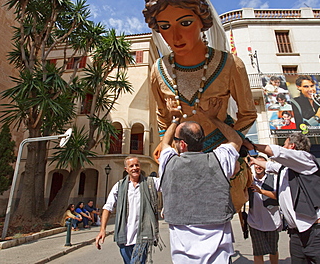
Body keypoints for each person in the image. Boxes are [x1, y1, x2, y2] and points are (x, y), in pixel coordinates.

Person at [142, 0, 256, 157]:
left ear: (202, 20)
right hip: (180, 158)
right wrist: (166, 145)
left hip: (220, 155)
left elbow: (247, 114)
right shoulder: (158, 70)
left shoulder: (230, 64)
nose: (176, 36)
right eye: (165, 26)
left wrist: (229, 147)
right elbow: (162, 116)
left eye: (185, 23)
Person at [158, 97, 243, 263]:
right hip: (219, 254)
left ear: (182, 145)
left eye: (176, 141)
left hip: (183, 256)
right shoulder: (220, 159)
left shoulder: (169, 162)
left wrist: (175, 119)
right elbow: (236, 140)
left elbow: (164, 144)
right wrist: (212, 118)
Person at [243, 133, 320, 263]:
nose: (282, 147)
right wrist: (254, 160)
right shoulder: (286, 169)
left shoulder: (306, 159)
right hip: (297, 233)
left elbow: (279, 153)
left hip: (319, 231)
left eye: (284, 145)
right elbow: (271, 166)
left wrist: (252, 145)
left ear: (292, 146)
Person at [95, 156, 161, 264]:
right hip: (124, 236)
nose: (135, 168)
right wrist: (102, 230)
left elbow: (169, 186)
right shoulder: (119, 186)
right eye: (131, 166)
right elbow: (108, 207)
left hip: (143, 235)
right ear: (126, 169)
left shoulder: (151, 183)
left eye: (137, 165)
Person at [247, 156, 281, 264]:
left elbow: (278, 196)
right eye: (256, 164)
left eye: (261, 164)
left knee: (273, 251)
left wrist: (261, 191)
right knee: (258, 252)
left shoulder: (274, 178)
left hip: (272, 222)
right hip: (255, 222)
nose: (258, 166)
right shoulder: (249, 180)